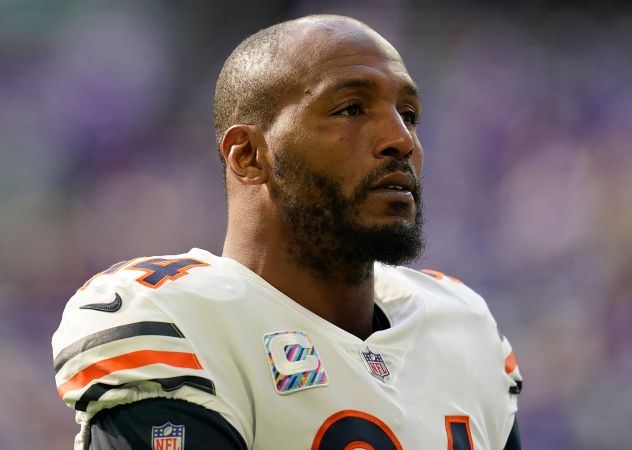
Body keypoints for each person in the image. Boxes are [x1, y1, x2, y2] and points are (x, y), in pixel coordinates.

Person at [52, 14, 522, 449]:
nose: (401, 139)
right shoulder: (180, 321)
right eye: (351, 108)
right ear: (248, 155)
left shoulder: (463, 326)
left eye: (410, 115)